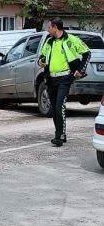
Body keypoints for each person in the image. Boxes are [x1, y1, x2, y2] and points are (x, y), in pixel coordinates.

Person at [38, 17, 90, 147]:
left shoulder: (71, 40)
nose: (48, 30)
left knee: (59, 106)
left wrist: (80, 70)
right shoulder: (49, 42)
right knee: (54, 108)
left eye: (49, 27)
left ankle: (59, 136)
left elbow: (87, 53)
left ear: (55, 27)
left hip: (65, 79)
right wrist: (41, 62)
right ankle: (61, 133)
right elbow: (41, 57)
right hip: (51, 79)